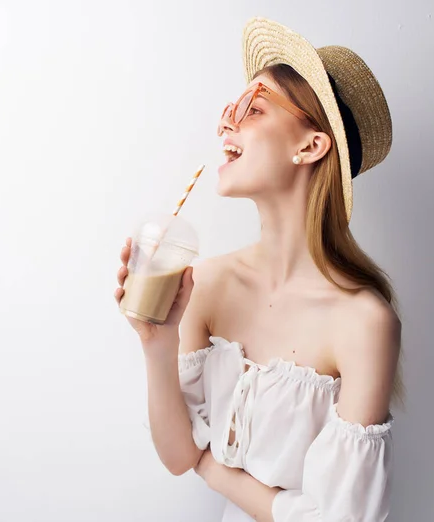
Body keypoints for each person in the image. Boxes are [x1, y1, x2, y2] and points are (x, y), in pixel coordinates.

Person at [115, 17, 404, 522]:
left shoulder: (365, 322)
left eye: (254, 107)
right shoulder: (205, 284)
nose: (227, 122)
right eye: (231, 108)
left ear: (310, 146)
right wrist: (155, 342)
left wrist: (212, 465)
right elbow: (177, 454)